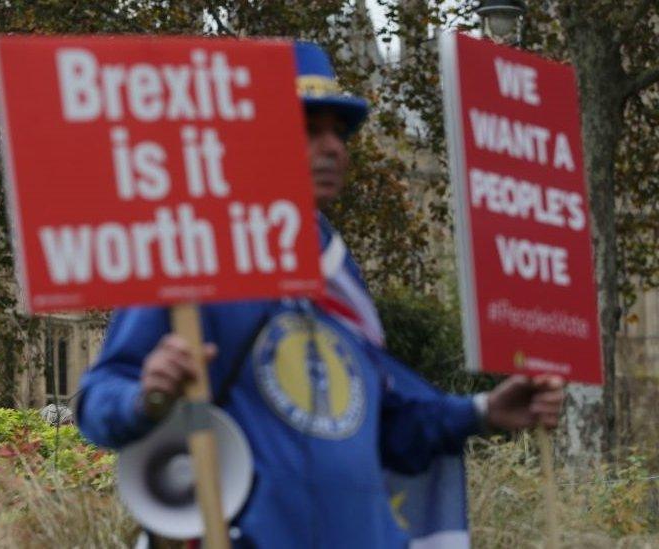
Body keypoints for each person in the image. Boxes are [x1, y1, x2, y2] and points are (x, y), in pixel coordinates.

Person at [76, 41, 564, 547]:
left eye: (340, 131)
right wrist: (145, 397)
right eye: (309, 130)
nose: (335, 147)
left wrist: (483, 411)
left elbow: (383, 424)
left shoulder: (336, 270)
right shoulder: (197, 255)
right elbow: (97, 400)